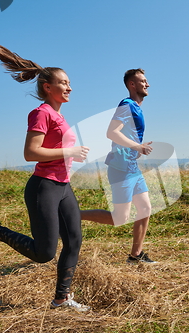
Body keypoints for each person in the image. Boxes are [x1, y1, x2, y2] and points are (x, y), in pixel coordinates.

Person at [0, 44, 91, 312]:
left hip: (63, 186)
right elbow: (30, 152)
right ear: (47, 86)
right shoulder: (42, 113)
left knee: (74, 240)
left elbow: (55, 150)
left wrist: (71, 156)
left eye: (70, 83)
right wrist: (70, 150)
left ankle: (61, 299)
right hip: (43, 187)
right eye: (64, 83)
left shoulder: (59, 116)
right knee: (44, 253)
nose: (69, 87)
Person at [80, 68, 156, 264]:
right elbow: (112, 132)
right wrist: (136, 146)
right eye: (143, 81)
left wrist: (136, 149)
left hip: (131, 166)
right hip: (121, 168)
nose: (147, 84)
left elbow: (124, 136)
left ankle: (136, 255)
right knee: (120, 218)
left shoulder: (136, 108)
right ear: (132, 85)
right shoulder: (127, 104)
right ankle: (74, 214)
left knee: (145, 208)